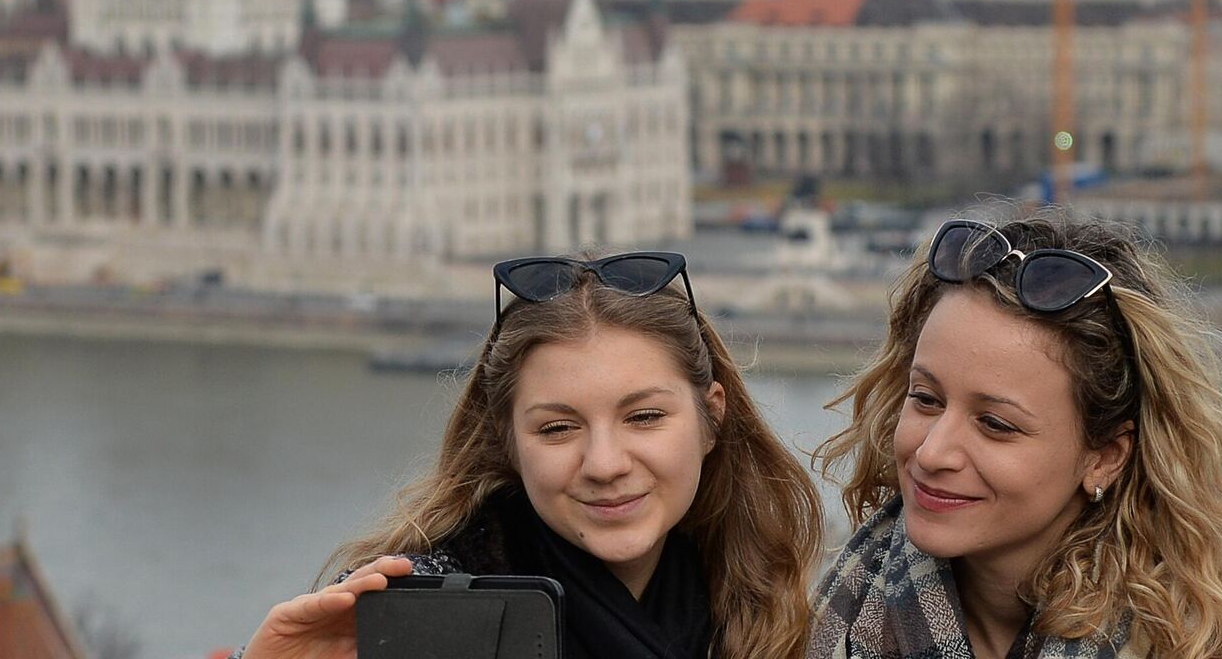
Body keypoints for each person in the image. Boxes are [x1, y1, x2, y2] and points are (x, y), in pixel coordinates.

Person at [240, 252, 823, 659]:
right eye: (558, 428)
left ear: (711, 417)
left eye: (643, 417)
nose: (605, 463)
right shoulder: (415, 613)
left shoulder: (774, 608)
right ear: (507, 442)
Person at [810, 214, 1222, 659]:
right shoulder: (816, 617)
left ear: (1105, 458)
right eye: (926, 399)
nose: (932, 451)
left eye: (995, 424)